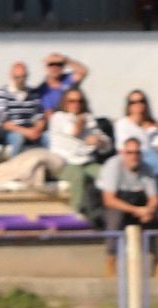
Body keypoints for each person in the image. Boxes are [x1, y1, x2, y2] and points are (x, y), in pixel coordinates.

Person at [47, 87, 109, 218]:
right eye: (72, 101)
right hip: (64, 163)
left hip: (87, 162)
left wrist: (98, 141)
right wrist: (82, 120)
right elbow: (73, 131)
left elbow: (107, 145)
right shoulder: (58, 117)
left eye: (80, 101)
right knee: (78, 176)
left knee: (106, 174)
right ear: (65, 102)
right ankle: (76, 213)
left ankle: (104, 212)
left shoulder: (88, 119)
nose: (76, 104)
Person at [96, 137, 158, 232]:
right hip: (115, 207)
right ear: (122, 153)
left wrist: (148, 210)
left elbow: (154, 198)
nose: (134, 156)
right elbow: (109, 200)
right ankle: (113, 247)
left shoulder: (147, 168)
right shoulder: (112, 166)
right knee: (115, 217)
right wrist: (136, 210)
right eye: (129, 152)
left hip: (139, 205)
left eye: (137, 152)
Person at [0, 61, 48, 157]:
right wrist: (27, 132)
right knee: (18, 138)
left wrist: (36, 130)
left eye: (23, 77)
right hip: (8, 134)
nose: (21, 80)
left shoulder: (33, 94)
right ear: (11, 76)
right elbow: (5, 123)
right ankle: (15, 168)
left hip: (28, 130)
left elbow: (40, 117)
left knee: (48, 138)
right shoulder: (2, 94)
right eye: (17, 77)